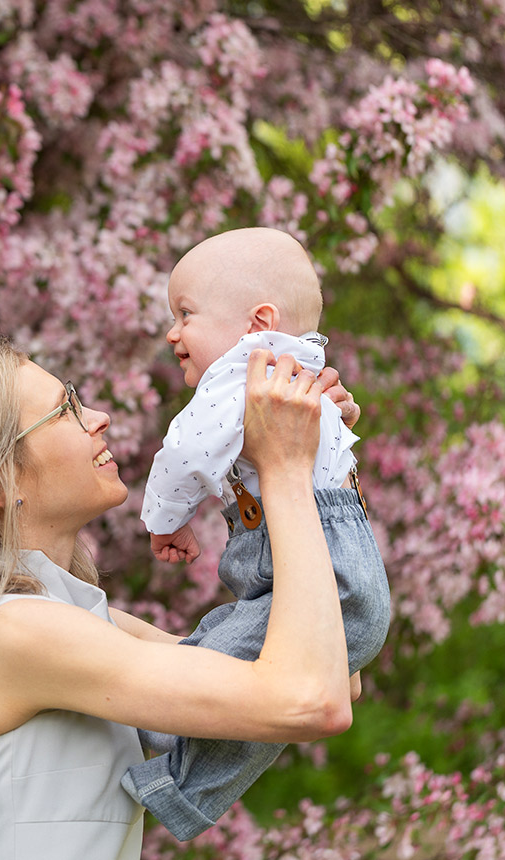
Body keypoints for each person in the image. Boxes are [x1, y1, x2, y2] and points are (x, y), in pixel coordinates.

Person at [0, 338, 361, 860]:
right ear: (0, 479)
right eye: (66, 410)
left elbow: (338, 663)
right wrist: (286, 467)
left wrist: (322, 467)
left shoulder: (71, 621)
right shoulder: (15, 635)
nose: (100, 416)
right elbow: (311, 700)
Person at [130, 227, 390, 839]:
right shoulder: (300, 373)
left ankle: (148, 718)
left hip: (323, 575)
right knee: (241, 672)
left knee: (234, 671)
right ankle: (178, 788)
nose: (172, 333)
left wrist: (163, 521)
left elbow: (183, 451)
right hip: (341, 573)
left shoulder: (239, 382)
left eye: (185, 314)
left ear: (256, 323)